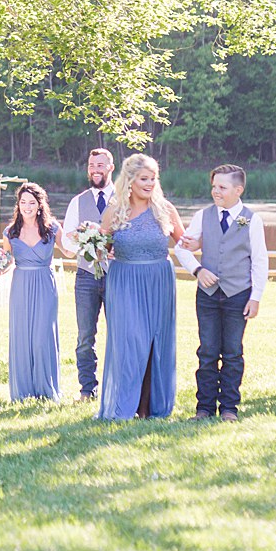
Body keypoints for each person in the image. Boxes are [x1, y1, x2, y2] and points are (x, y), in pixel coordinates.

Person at [173, 165, 268, 421]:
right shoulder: (203, 216)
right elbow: (182, 248)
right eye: (214, 186)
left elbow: (259, 260)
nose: (216, 191)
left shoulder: (252, 219)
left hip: (238, 294)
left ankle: (229, 409)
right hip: (207, 295)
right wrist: (197, 270)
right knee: (207, 351)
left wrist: (256, 296)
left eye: (222, 188)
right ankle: (204, 408)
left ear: (239, 190)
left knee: (233, 352)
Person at [96, 154, 183, 420]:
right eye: (144, 179)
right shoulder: (114, 211)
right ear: (130, 181)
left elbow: (185, 243)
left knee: (156, 342)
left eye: (153, 178)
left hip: (159, 280)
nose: (149, 183)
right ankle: (125, 405)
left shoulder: (164, 209)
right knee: (130, 341)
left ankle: (149, 407)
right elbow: (102, 249)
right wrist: (92, 245)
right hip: (124, 282)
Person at [0, 182, 60, 402]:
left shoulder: (52, 228)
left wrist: (92, 243)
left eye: (32, 202)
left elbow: (68, 249)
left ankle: (46, 389)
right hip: (21, 285)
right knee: (22, 337)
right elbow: (8, 260)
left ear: (40, 205)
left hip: (45, 284)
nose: (27, 207)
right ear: (18, 205)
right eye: (23, 202)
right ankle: (23, 392)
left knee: (41, 337)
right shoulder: (10, 232)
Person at [61, 148, 115, 401]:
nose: (96, 169)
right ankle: (87, 389)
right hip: (85, 276)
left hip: (118, 276)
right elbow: (67, 241)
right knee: (85, 336)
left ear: (111, 167)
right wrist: (85, 242)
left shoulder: (124, 199)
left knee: (119, 333)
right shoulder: (78, 201)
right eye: (92, 165)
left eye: (101, 165)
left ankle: (117, 387)